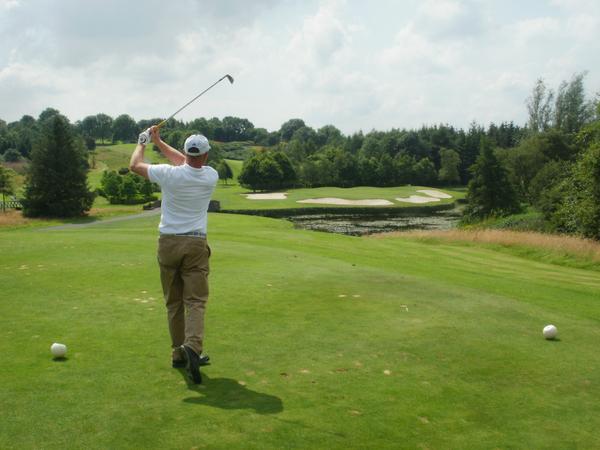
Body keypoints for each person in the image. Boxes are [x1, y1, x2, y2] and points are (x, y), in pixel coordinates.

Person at [129, 126, 219, 384]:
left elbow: (135, 165)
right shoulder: (210, 175)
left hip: (168, 243)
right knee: (196, 301)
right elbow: (187, 162)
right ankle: (192, 347)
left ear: (186, 153)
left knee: (174, 302)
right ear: (206, 155)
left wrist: (144, 142)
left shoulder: (169, 174)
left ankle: (178, 352)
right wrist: (158, 141)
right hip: (195, 244)